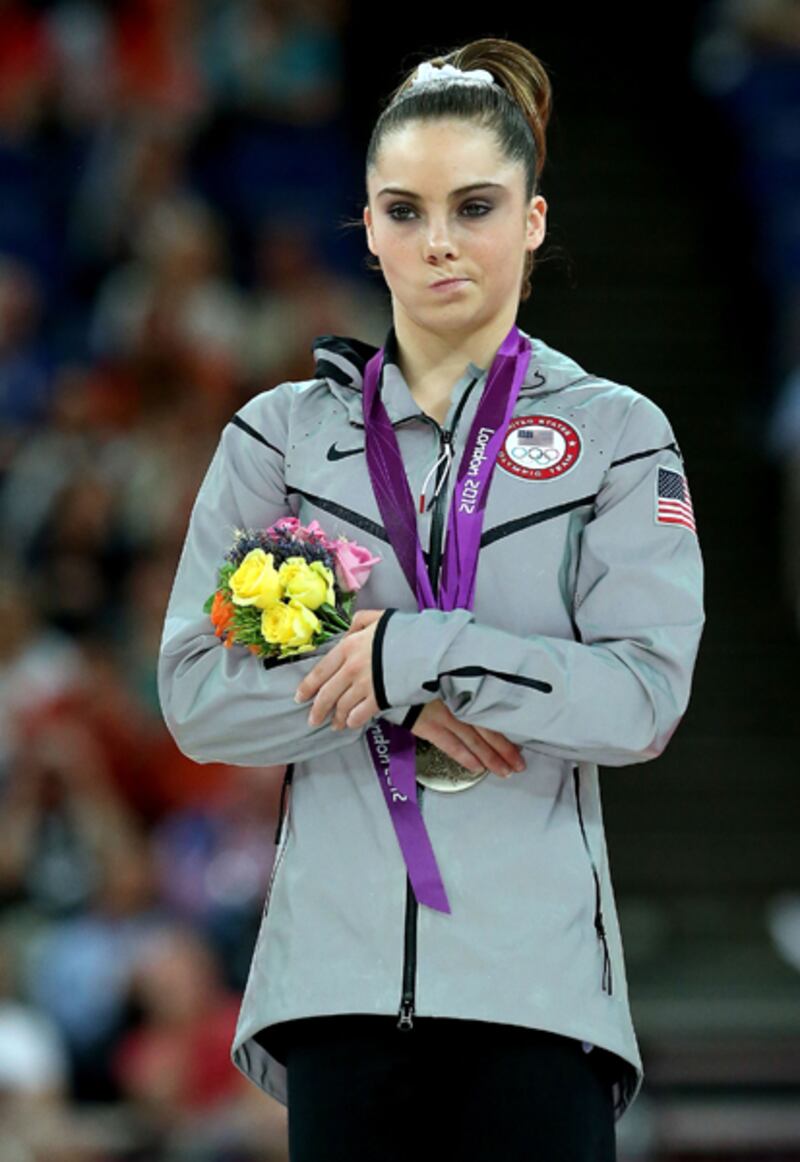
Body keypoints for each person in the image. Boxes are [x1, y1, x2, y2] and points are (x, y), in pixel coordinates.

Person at [157, 36, 706, 1162]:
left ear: (534, 220)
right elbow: (199, 699)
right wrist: (389, 693)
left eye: (474, 205)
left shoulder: (615, 434)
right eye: (402, 211)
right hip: (338, 994)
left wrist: (413, 648)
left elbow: (641, 697)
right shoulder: (280, 438)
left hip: (538, 996)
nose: (439, 241)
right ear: (364, 226)